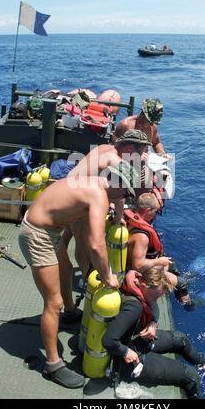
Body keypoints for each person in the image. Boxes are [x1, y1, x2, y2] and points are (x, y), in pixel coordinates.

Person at [19, 161, 138, 388]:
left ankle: (71, 312)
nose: (124, 197)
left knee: (65, 272)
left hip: (48, 230)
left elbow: (113, 202)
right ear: (117, 183)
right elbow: (96, 245)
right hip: (37, 235)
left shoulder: (95, 183)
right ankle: (53, 365)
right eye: (124, 191)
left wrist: (117, 212)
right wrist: (108, 277)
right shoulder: (99, 196)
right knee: (53, 303)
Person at [57, 130, 151, 322]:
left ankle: (64, 249)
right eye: (140, 153)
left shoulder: (105, 148)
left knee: (71, 234)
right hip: (79, 202)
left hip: (70, 191)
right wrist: (118, 218)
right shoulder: (115, 161)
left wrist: (117, 216)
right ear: (130, 148)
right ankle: (90, 281)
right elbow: (120, 191)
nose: (140, 157)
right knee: (85, 246)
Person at [102, 268, 201, 398]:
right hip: (127, 360)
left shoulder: (137, 282)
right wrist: (126, 352)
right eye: (157, 295)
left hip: (137, 338)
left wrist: (153, 322)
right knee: (191, 376)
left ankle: (203, 365)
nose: (159, 298)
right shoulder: (134, 308)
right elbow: (108, 340)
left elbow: (153, 304)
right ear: (144, 285)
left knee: (179, 338)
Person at [125, 193, 194, 310]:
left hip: (151, 259)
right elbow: (137, 265)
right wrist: (159, 261)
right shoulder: (142, 237)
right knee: (182, 284)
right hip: (146, 272)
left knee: (171, 263)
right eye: (156, 212)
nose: (156, 215)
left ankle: (173, 279)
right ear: (147, 210)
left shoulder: (132, 219)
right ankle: (188, 307)